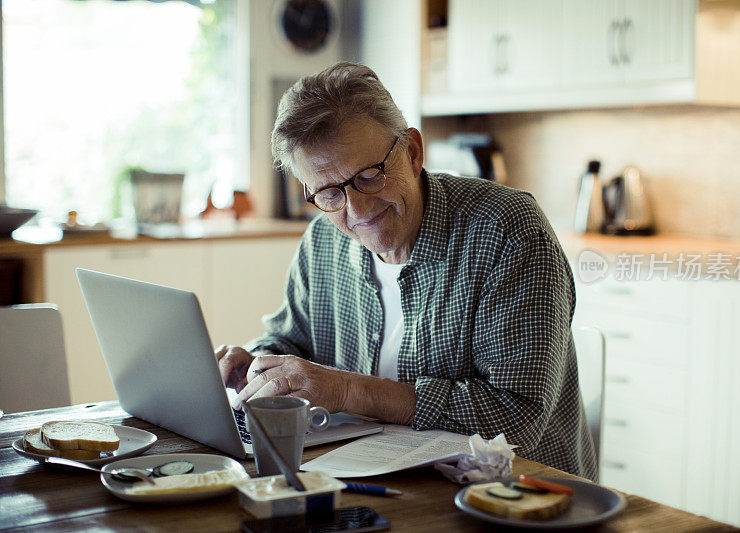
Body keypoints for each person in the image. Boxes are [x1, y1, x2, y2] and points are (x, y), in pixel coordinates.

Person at [216, 62, 596, 480]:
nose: (357, 210)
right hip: (379, 483)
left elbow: (516, 419)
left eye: (368, 176)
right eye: (328, 192)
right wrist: (258, 365)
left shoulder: (508, 230)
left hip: (517, 497)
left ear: (412, 152)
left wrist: (345, 390)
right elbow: (292, 340)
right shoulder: (322, 241)